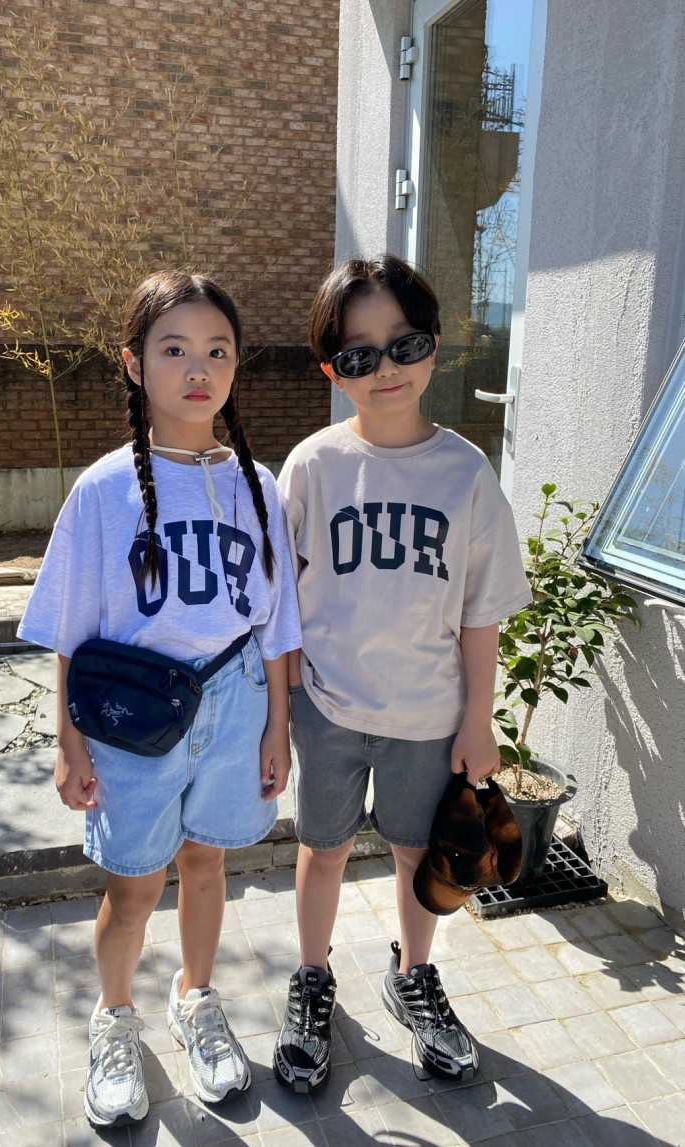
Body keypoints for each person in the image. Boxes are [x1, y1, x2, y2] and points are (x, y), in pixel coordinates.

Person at [17, 270, 301, 1128]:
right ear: (134, 363)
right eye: (174, 349)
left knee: (208, 863)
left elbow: (276, 623)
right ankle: (113, 1019)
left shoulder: (260, 485)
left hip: (236, 704)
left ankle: (196, 997)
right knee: (134, 886)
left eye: (218, 350)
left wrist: (278, 727)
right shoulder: (103, 490)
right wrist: (69, 741)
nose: (198, 368)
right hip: (133, 720)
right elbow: (72, 627)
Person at [272, 254, 530, 1092]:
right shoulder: (312, 466)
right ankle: (313, 977)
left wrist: (478, 719)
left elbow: (482, 611)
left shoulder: (466, 473)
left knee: (420, 850)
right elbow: (280, 600)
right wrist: (284, 705)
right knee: (323, 848)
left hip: (429, 712)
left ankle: (413, 975)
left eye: (403, 344)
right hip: (328, 707)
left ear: (435, 345)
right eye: (358, 354)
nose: (384, 368)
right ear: (331, 369)